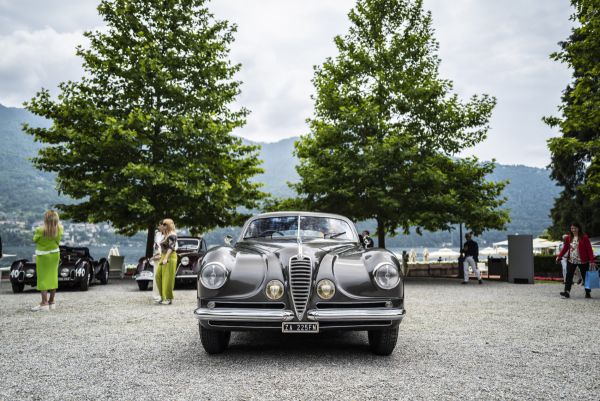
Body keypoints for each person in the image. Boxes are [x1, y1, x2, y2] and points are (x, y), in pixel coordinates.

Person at [31, 210, 63, 311]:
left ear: (45, 219)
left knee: (42, 278)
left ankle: (44, 303)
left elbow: (35, 240)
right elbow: (58, 241)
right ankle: (51, 302)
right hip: (54, 254)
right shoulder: (60, 228)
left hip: (43, 256)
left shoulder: (40, 230)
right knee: (53, 277)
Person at [556, 222, 595, 299]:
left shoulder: (584, 237)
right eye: (572, 228)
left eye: (575, 228)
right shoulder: (568, 238)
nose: (573, 230)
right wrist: (559, 256)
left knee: (585, 277)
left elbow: (589, 250)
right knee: (569, 276)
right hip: (571, 260)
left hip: (583, 261)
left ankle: (588, 292)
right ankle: (567, 292)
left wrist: (592, 261)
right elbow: (565, 248)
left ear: (578, 228)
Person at [155, 219, 178, 305]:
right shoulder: (166, 234)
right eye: (163, 224)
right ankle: (162, 296)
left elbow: (171, 247)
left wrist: (166, 258)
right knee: (158, 276)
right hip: (164, 256)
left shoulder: (172, 235)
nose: (163, 226)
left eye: (165, 224)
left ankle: (168, 298)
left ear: (168, 225)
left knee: (168, 278)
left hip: (170, 256)